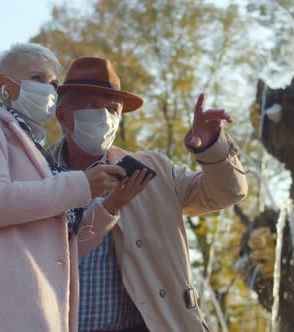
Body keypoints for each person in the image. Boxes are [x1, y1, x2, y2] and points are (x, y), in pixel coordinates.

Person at [0, 44, 129, 331]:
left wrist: (109, 207)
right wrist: (82, 184)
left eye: (54, 83)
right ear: (3, 85)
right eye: (38, 78)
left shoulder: (37, 150)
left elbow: (62, 248)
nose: (50, 89)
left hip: (43, 315)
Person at [52, 57, 248, 332]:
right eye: (90, 106)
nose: (105, 117)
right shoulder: (34, 173)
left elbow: (229, 192)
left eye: (112, 109)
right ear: (62, 115)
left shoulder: (152, 170)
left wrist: (211, 146)